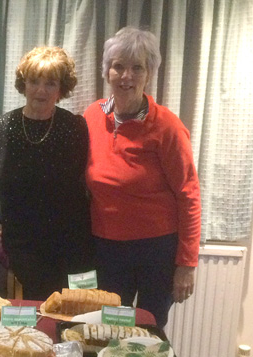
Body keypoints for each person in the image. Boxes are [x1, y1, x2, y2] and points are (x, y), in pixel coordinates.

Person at [0, 46, 94, 301]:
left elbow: (92, 183)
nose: (41, 90)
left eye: (50, 83)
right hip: (25, 251)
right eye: (34, 81)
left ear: (62, 88)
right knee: (42, 321)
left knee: (80, 320)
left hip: (74, 249)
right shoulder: (1, 129)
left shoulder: (75, 128)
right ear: (23, 84)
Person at [84, 27, 201, 328]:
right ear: (107, 71)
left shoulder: (167, 127)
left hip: (157, 251)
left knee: (149, 329)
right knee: (108, 327)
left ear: (149, 74)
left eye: (137, 68)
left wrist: (186, 264)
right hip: (106, 249)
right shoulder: (91, 116)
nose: (126, 76)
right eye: (118, 66)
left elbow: (189, 195)